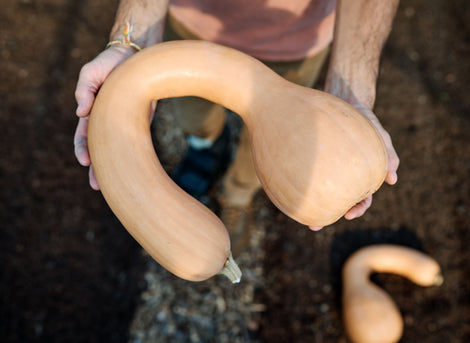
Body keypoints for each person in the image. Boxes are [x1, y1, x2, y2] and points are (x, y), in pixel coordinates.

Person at [74, 0, 400, 256]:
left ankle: (238, 193)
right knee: (194, 117)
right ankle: (205, 149)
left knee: (268, 150)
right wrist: (132, 42)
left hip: (297, 42)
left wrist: (351, 91)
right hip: (189, 23)